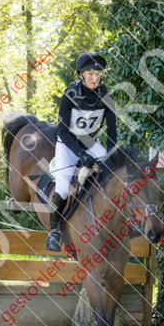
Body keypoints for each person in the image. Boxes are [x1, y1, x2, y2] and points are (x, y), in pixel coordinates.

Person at [45, 51, 117, 252]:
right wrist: (80, 153)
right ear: (81, 74)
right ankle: (54, 232)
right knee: (62, 188)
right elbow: (62, 131)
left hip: (91, 143)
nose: (95, 78)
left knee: (114, 175)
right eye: (91, 73)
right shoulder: (69, 96)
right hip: (68, 144)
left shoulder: (106, 97)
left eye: (98, 73)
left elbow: (112, 132)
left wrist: (110, 154)